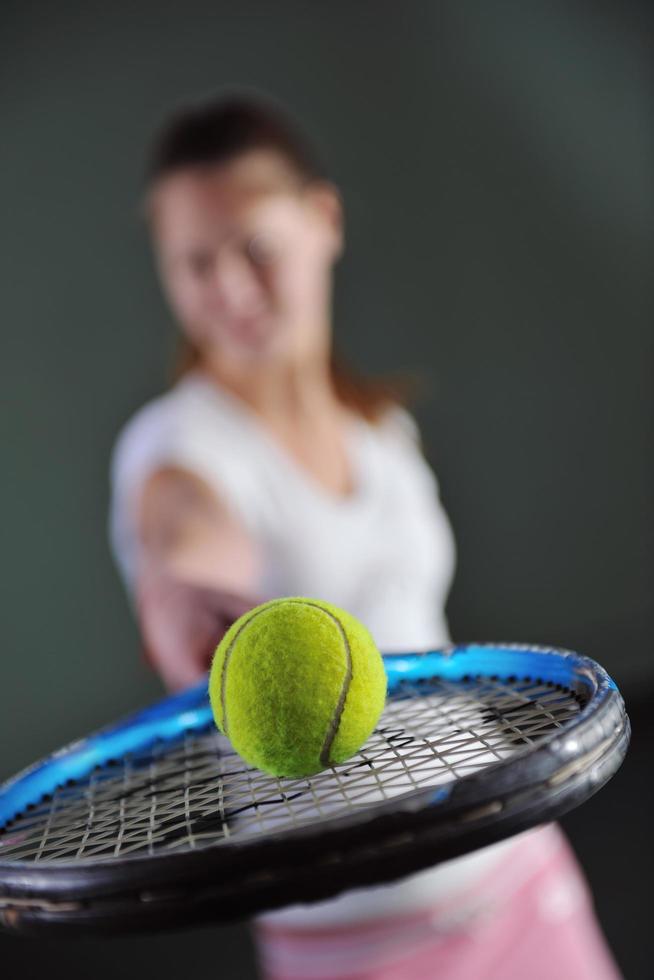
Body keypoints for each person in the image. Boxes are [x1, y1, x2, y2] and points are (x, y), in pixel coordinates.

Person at [108, 92, 620, 979]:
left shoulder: (380, 433)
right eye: (194, 264)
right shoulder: (176, 449)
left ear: (324, 220)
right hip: (354, 941)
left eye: (255, 249)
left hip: (512, 865)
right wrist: (180, 597)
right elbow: (180, 543)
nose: (228, 288)